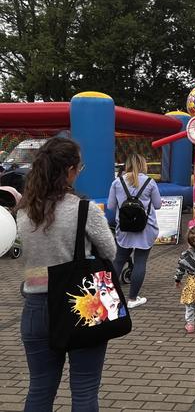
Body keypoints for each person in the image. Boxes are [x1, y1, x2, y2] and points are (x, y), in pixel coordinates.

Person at [16, 137, 117, 411]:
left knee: (39, 388)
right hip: (84, 304)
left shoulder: (25, 211)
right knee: (84, 389)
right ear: (70, 170)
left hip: (36, 308)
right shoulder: (83, 209)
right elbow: (110, 251)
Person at [108, 153, 161, 309]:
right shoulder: (150, 182)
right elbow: (157, 205)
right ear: (143, 165)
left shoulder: (117, 183)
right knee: (140, 262)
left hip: (124, 229)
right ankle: (132, 298)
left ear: (127, 165)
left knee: (118, 261)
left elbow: (111, 206)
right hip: (146, 229)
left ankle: (109, 297)